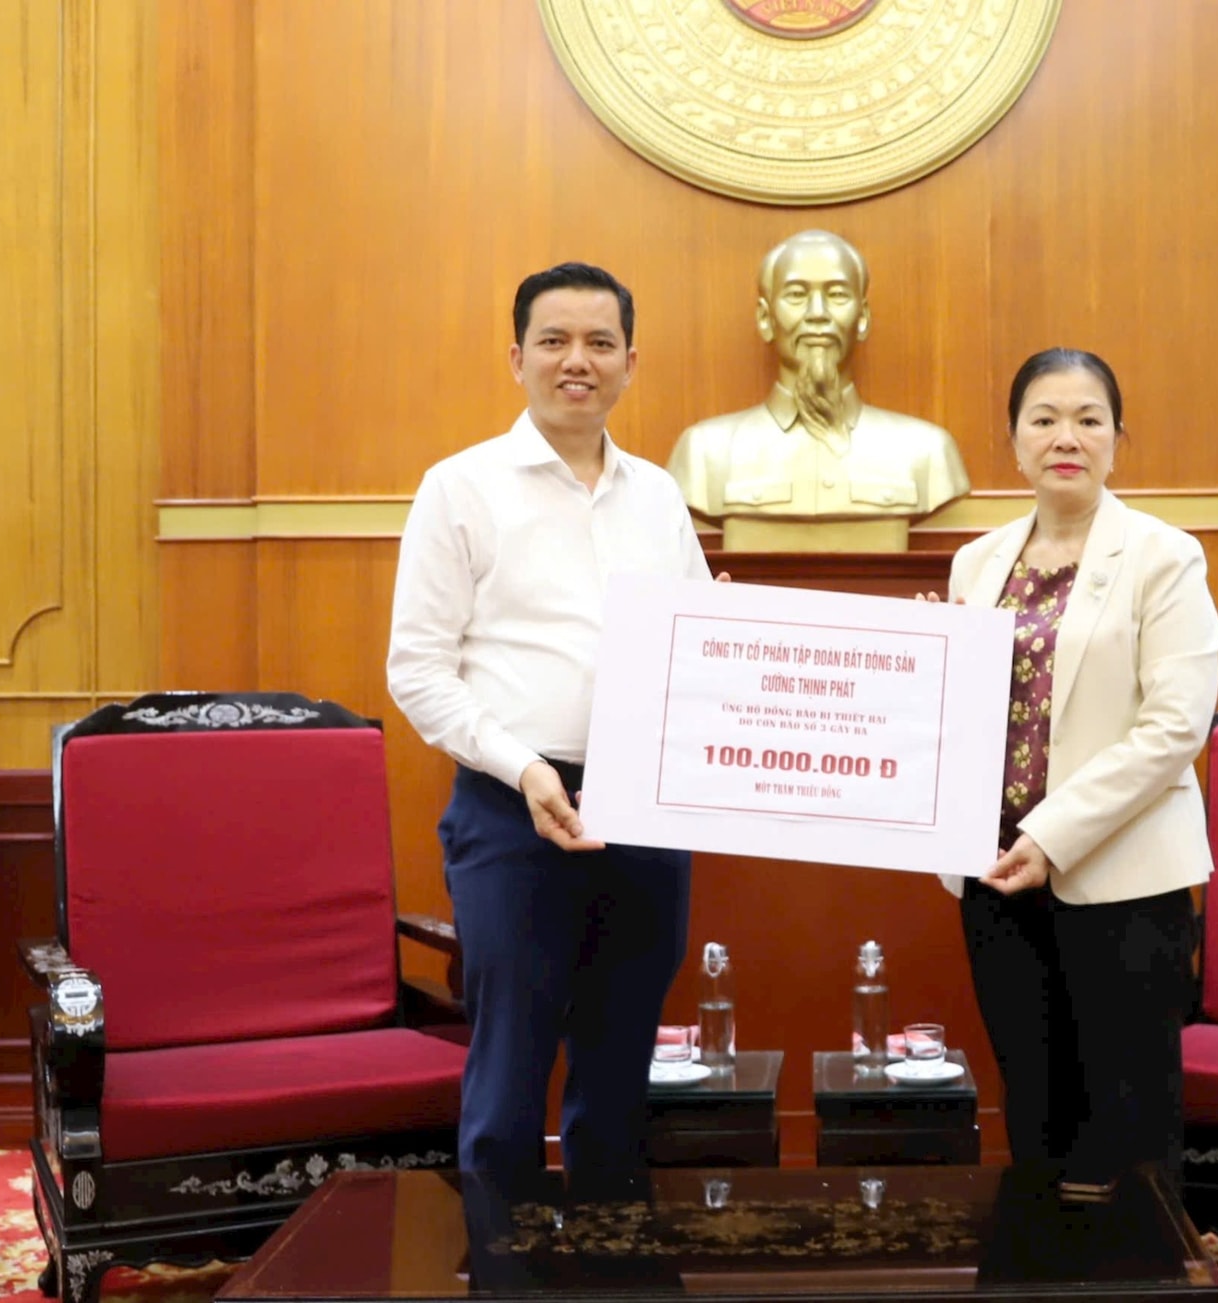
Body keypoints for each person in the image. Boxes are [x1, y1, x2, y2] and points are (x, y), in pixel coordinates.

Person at [387, 262, 713, 1177]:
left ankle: (611, 1275)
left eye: (600, 343)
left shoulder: (658, 495)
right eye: (555, 341)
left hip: (645, 810)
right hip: (510, 811)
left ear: (631, 362)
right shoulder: (460, 487)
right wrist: (526, 768)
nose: (579, 361)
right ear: (517, 358)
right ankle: (504, 1274)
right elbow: (416, 669)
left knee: (619, 1082)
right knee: (507, 1082)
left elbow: (698, 643)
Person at [923, 348, 1218, 1186]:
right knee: (1036, 1114)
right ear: (1014, 442)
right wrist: (923, 663)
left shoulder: (1164, 556)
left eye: (1088, 419)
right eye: (1044, 418)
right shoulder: (976, 563)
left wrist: (1051, 837)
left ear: (1117, 439)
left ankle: (1141, 1276)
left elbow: (1174, 727)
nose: (1067, 436)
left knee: (1127, 1125)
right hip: (993, 880)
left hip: (1120, 881)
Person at [667, 229, 970, 520]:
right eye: (796, 295)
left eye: (837, 295)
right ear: (765, 318)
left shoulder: (927, 453)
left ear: (863, 317)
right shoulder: (704, 454)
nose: (817, 312)